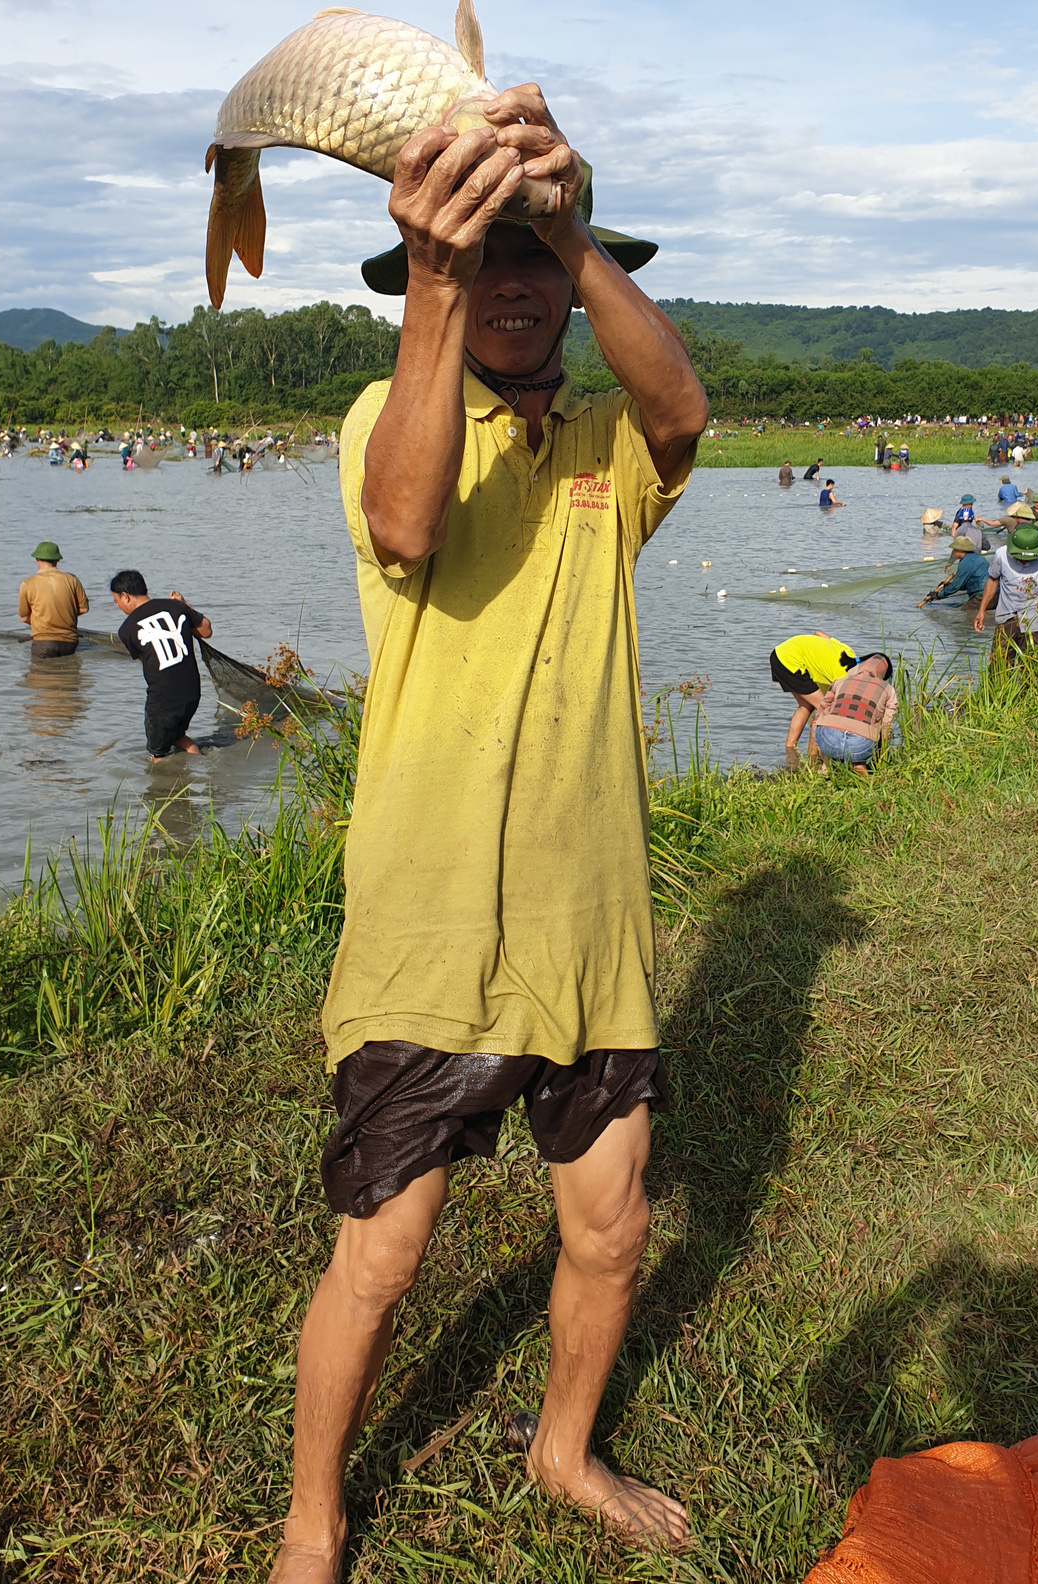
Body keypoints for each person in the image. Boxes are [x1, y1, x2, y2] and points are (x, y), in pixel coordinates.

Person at [269, 82, 706, 1581]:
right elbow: (406, 529)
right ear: (431, 283)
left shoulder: (607, 449)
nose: (518, 281)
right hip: (431, 921)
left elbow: (687, 411)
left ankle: (563, 1449)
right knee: (381, 1255)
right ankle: (315, 1517)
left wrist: (568, 220)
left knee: (612, 1227)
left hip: (590, 926)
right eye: (486, 259)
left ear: (578, 280)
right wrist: (437, 285)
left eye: (546, 258)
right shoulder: (388, 426)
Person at [110, 570, 213, 758]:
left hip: (163, 699)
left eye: (116, 602)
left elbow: (148, 660)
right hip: (192, 693)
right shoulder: (176, 607)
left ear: (125, 596)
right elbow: (206, 631)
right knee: (177, 736)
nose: (119, 607)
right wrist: (184, 604)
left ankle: (161, 786)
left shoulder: (126, 629)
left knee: (157, 754)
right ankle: (201, 768)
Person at [974, 522, 1038, 657]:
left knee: (1031, 669)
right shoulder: (1001, 555)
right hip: (1006, 618)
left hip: (1035, 621)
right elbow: (992, 580)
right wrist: (981, 611)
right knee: (999, 666)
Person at [769, 631, 861, 750]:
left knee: (806, 706)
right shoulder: (843, 677)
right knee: (824, 712)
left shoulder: (848, 651)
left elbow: (818, 633)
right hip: (790, 661)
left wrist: (812, 650)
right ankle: (813, 756)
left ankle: (790, 748)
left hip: (779, 653)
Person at [807, 653, 897, 770]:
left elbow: (820, 712)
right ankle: (858, 764)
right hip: (860, 745)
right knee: (861, 742)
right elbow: (887, 726)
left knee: (824, 721)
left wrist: (814, 748)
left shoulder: (840, 681)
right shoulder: (888, 689)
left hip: (828, 740)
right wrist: (879, 754)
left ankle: (825, 766)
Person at [18, 541, 90, 657]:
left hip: (43, 643)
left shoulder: (27, 584)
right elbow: (84, 609)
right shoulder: (72, 580)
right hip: (70, 642)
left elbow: (24, 617)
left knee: (40, 673)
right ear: (57, 561)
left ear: (37, 560)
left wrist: (42, 620)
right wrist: (64, 616)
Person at [920, 536, 989, 606]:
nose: (953, 551)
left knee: (966, 613)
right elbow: (966, 583)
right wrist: (948, 585)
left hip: (982, 594)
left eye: (954, 549)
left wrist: (937, 595)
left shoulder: (965, 562)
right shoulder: (978, 558)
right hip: (992, 591)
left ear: (959, 550)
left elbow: (955, 586)